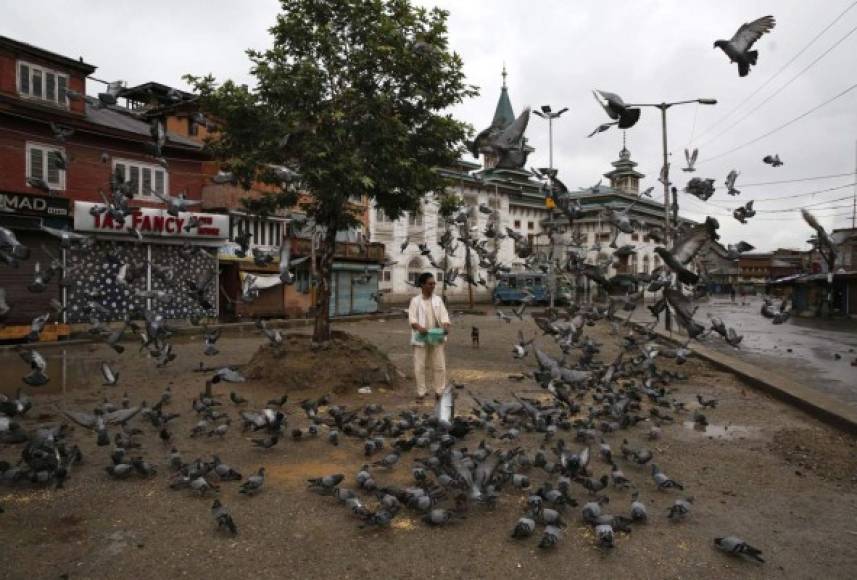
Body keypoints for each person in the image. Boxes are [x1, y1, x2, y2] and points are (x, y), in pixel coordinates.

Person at [408, 272, 450, 403]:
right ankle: (421, 392)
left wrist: (445, 326)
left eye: (434, 284)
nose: (433, 286)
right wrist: (419, 328)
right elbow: (412, 319)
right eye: (430, 284)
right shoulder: (415, 301)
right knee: (419, 366)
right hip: (421, 336)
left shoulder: (438, 300)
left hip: (435, 336)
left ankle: (439, 391)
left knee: (439, 365)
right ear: (422, 285)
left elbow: (444, 317)